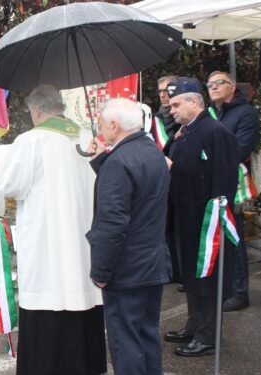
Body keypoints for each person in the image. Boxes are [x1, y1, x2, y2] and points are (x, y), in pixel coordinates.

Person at [0, 85, 106, 375]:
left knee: (48, 287)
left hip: (47, 236)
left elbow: (6, 184)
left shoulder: (31, 140)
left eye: (30, 112)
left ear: (37, 110)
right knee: (80, 286)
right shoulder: (87, 137)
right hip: (84, 235)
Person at [86, 98, 172, 374]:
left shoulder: (120, 162)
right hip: (153, 262)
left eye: (101, 123)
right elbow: (140, 192)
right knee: (147, 334)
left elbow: (113, 222)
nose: (100, 128)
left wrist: (100, 270)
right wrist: (102, 159)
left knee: (126, 341)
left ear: (114, 124)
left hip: (126, 268)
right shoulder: (153, 152)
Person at [163, 77, 239, 357]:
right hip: (186, 215)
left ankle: (207, 336)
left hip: (206, 219)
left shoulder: (215, 132)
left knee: (206, 277)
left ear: (194, 102)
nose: (171, 110)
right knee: (192, 277)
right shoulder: (185, 131)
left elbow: (223, 179)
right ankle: (194, 324)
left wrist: (215, 217)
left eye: (176, 104)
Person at [207, 71, 260, 312]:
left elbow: (238, 149)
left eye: (220, 83)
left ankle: (240, 292)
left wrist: (206, 157)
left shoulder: (245, 112)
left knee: (234, 237)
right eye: (210, 84)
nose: (214, 87)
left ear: (233, 87)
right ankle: (226, 287)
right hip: (212, 182)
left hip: (233, 186)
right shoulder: (213, 114)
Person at [156, 74, 185, 288]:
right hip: (162, 179)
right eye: (161, 91)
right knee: (166, 226)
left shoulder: (184, 120)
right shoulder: (154, 120)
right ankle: (171, 270)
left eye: (168, 90)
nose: (164, 95)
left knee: (180, 227)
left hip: (181, 177)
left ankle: (183, 272)